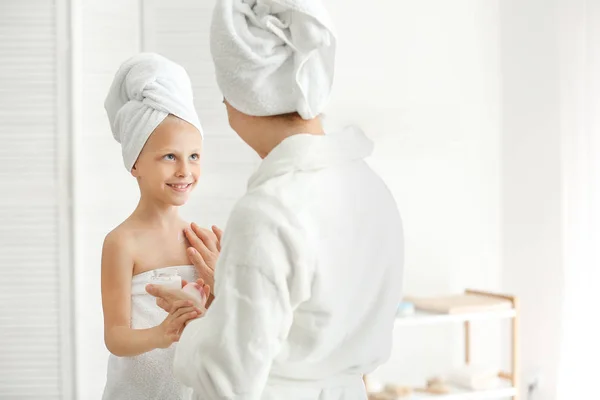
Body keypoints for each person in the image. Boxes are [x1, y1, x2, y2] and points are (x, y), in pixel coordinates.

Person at [147, 1, 404, 399]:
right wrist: (232, 288)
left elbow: (227, 383)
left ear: (240, 96)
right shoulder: (372, 188)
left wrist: (199, 326)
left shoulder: (267, 212)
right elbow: (314, 321)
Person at [101, 52, 215, 400]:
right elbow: (116, 337)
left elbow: (215, 321)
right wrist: (162, 333)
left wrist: (221, 291)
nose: (185, 170)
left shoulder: (200, 240)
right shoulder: (122, 243)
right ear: (135, 163)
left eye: (193, 156)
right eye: (170, 156)